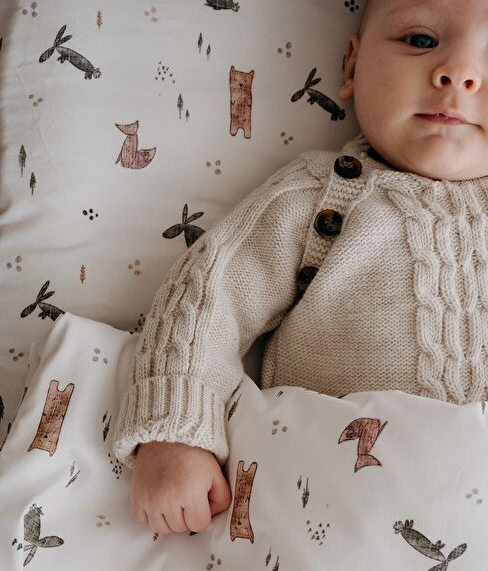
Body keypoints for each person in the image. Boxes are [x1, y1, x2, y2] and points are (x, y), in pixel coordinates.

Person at [113, 0, 488, 535]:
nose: (460, 73)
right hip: (332, 510)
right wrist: (175, 431)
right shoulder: (323, 198)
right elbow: (208, 297)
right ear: (352, 67)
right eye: (421, 41)